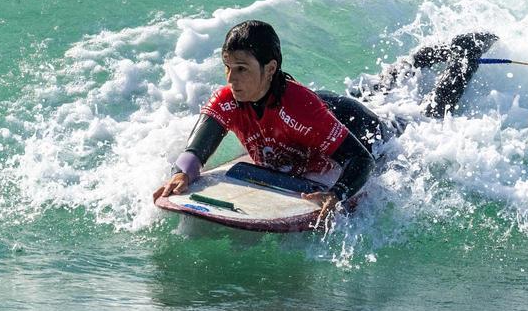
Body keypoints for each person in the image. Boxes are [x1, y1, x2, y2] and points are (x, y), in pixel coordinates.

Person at [152, 20, 497, 227]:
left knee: (428, 113)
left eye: (242, 68)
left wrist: (337, 193)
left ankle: (467, 53)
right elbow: (196, 150)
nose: (232, 78)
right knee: (381, 88)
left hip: (361, 126)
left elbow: (361, 159)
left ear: (270, 69)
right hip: (327, 107)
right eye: (227, 67)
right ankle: (430, 55)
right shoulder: (228, 98)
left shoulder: (298, 109)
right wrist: (183, 173)